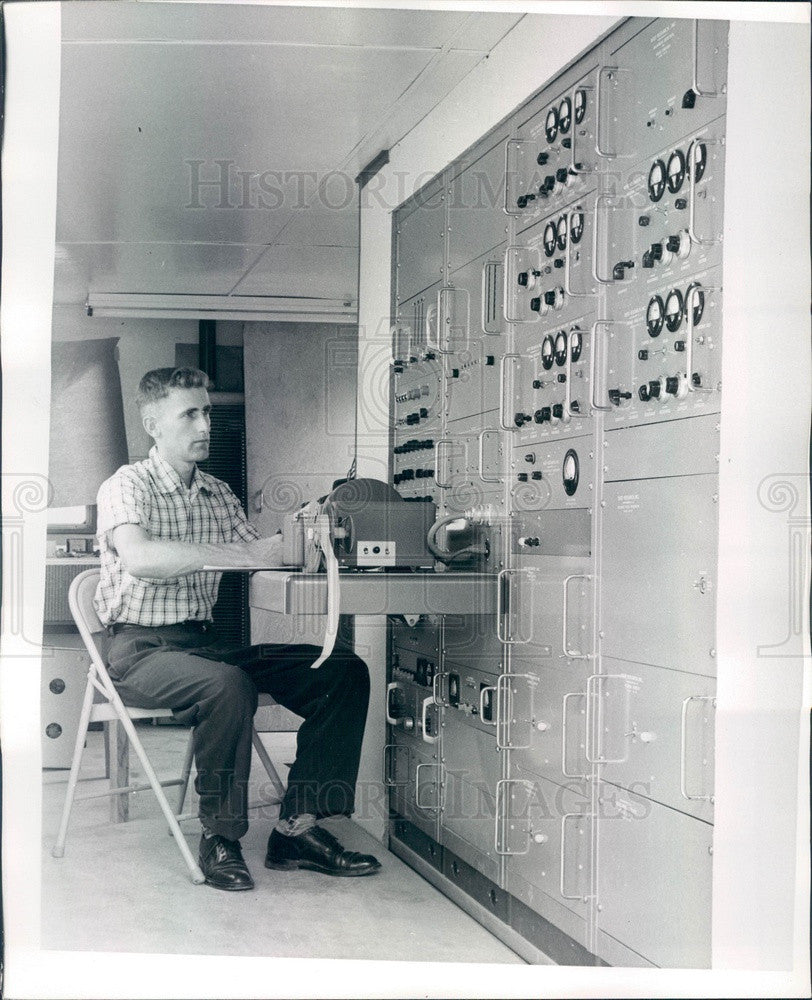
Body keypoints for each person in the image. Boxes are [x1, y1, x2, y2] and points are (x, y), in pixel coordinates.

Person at [94, 367, 380, 890]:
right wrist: (247, 551)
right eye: (191, 413)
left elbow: (261, 557)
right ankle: (220, 836)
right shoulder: (126, 485)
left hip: (206, 646)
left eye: (208, 413)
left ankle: (297, 828)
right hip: (138, 650)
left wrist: (306, 537)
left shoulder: (218, 494)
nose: (206, 425)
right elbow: (141, 558)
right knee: (228, 685)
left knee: (342, 670)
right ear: (152, 423)